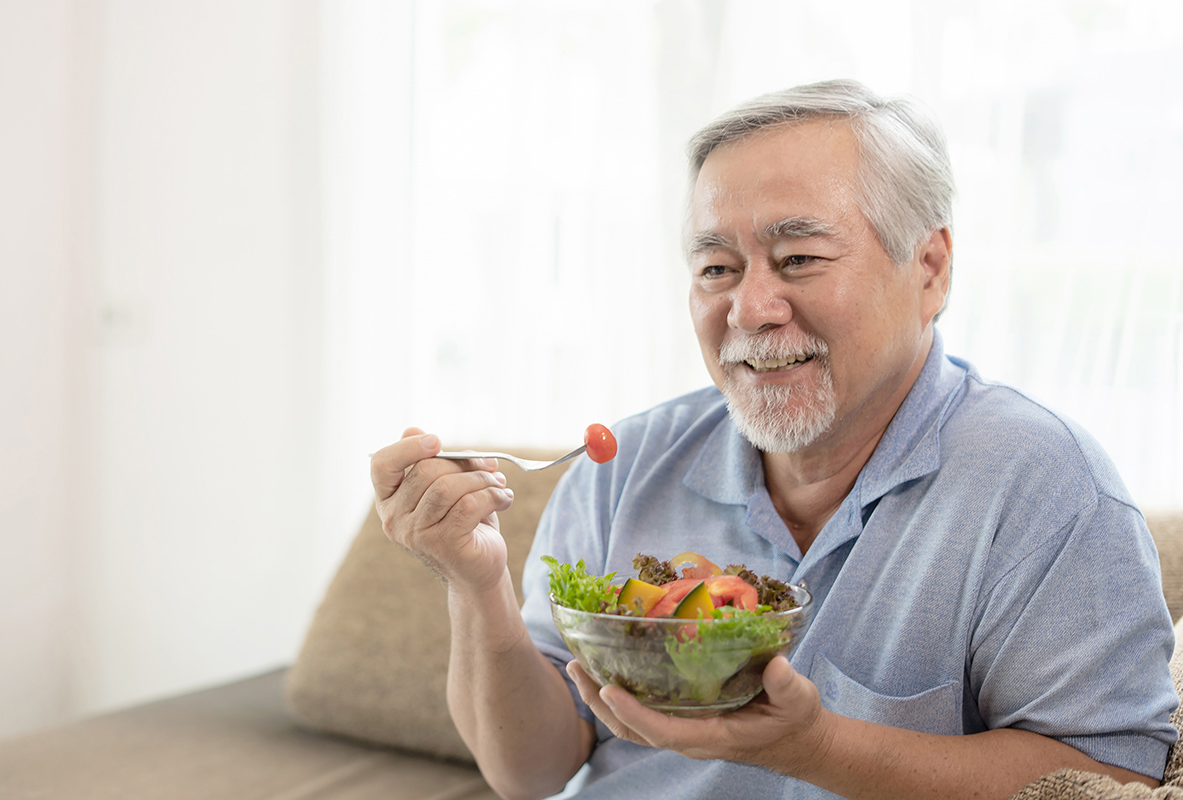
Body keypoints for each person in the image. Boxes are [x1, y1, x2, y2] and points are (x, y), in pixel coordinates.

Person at [370, 79, 1178, 800]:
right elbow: (530, 772)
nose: (751, 308)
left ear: (929, 269)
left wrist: (817, 748)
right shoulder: (627, 464)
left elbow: (1112, 779)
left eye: (797, 258)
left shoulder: (1044, 483)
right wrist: (474, 583)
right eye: (716, 269)